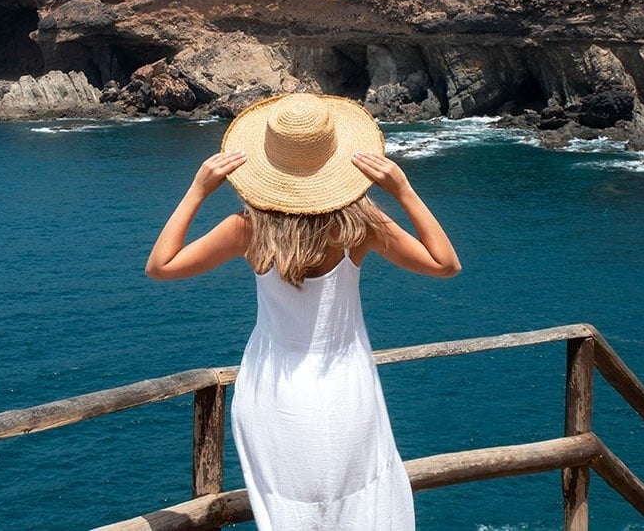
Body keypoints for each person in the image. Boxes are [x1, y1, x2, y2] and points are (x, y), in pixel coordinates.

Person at [146, 92, 461, 531]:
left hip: (274, 394)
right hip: (347, 391)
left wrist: (197, 190)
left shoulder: (248, 229)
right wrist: (403, 189)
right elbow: (446, 264)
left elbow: (160, 267)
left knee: (289, 512)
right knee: (360, 503)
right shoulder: (359, 224)